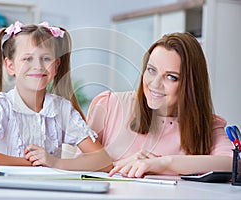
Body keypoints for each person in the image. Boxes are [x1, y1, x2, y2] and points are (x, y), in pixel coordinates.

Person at [87, 32, 233, 177]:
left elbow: (233, 163)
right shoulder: (109, 106)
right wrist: (119, 165)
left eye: (171, 77)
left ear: (191, 85)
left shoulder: (208, 125)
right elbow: (76, 166)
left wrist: (164, 163)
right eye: (151, 70)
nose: (155, 84)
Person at [0, 21, 112, 171]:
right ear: (10, 66)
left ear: (56, 65)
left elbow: (103, 162)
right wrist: (32, 163)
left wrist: (54, 163)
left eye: (46, 58)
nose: (38, 66)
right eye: (27, 59)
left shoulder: (62, 109)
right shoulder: (0, 105)